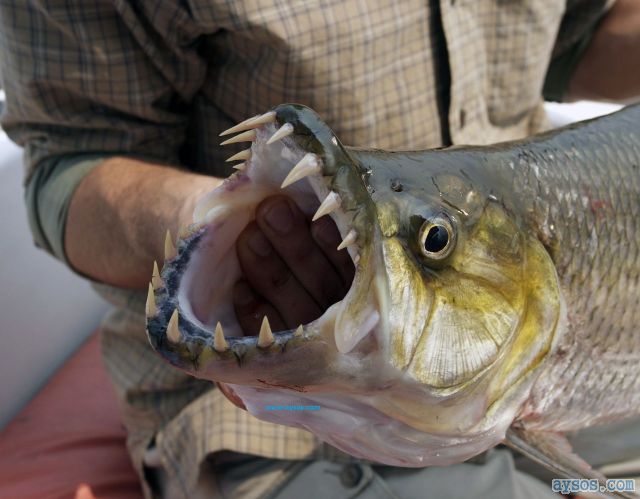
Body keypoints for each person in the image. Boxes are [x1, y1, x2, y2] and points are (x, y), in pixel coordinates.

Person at [0, 1, 639, 498]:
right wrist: (239, 231)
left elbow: (577, 35)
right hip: (278, 408)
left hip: (551, 328)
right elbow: (69, 160)